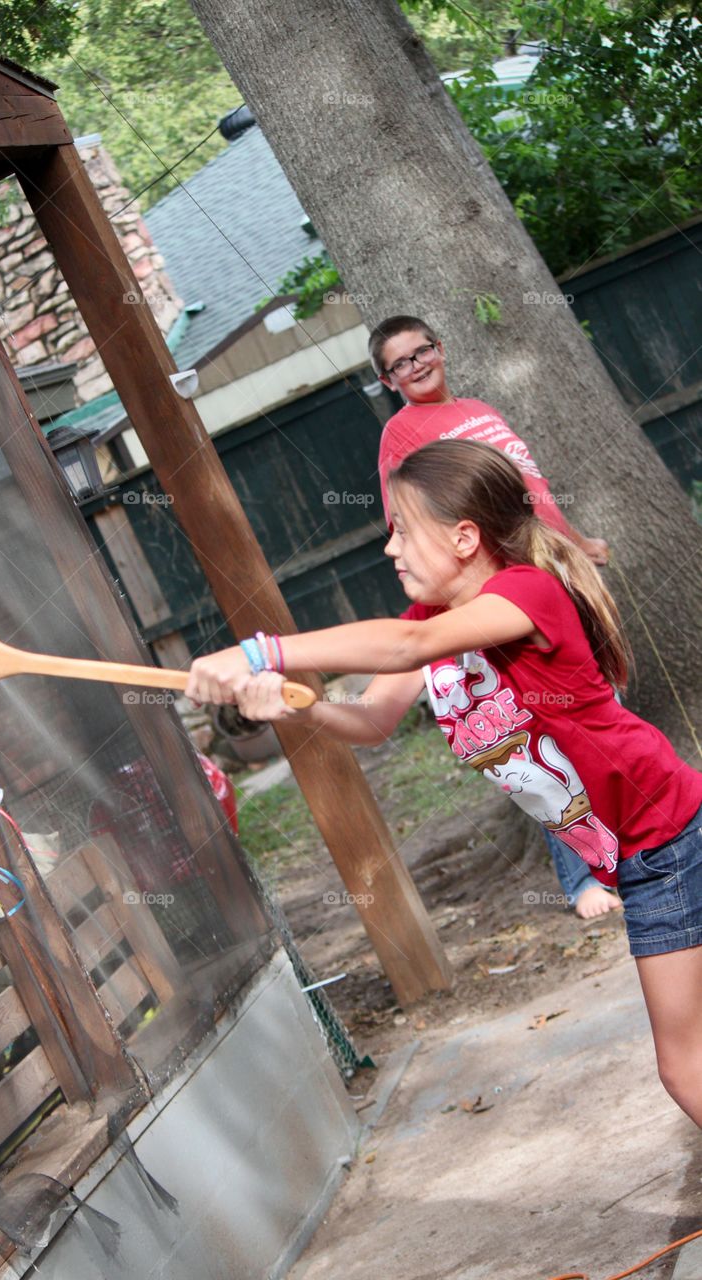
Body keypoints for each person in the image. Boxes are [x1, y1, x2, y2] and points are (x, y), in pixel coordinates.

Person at [185, 440, 702, 1126]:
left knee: (683, 1064)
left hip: (664, 835)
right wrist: (291, 706)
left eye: (401, 530)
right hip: (642, 847)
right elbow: (373, 719)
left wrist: (259, 651)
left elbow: (403, 651)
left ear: (464, 537)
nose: (389, 549)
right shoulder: (428, 623)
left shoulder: (526, 592)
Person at [371, 313, 618, 919]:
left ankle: (623, 852)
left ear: (441, 348)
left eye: (421, 350)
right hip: (508, 588)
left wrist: (576, 544)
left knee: (598, 712)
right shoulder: (401, 434)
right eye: (399, 363)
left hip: (557, 568)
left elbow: (529, 491)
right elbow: (413, 521)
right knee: (541, 733)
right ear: (387, 380)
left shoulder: (480, 409)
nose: (416, 365)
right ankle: (582, 880)